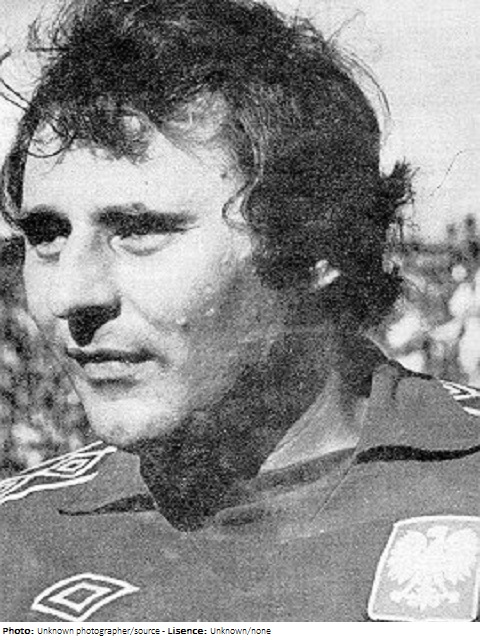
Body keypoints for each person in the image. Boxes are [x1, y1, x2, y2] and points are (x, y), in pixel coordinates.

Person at [1, 0, 480, 623]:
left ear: (315, 245)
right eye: (47, 236)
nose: (70, 295)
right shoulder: (17, 537)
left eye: (140, 231)